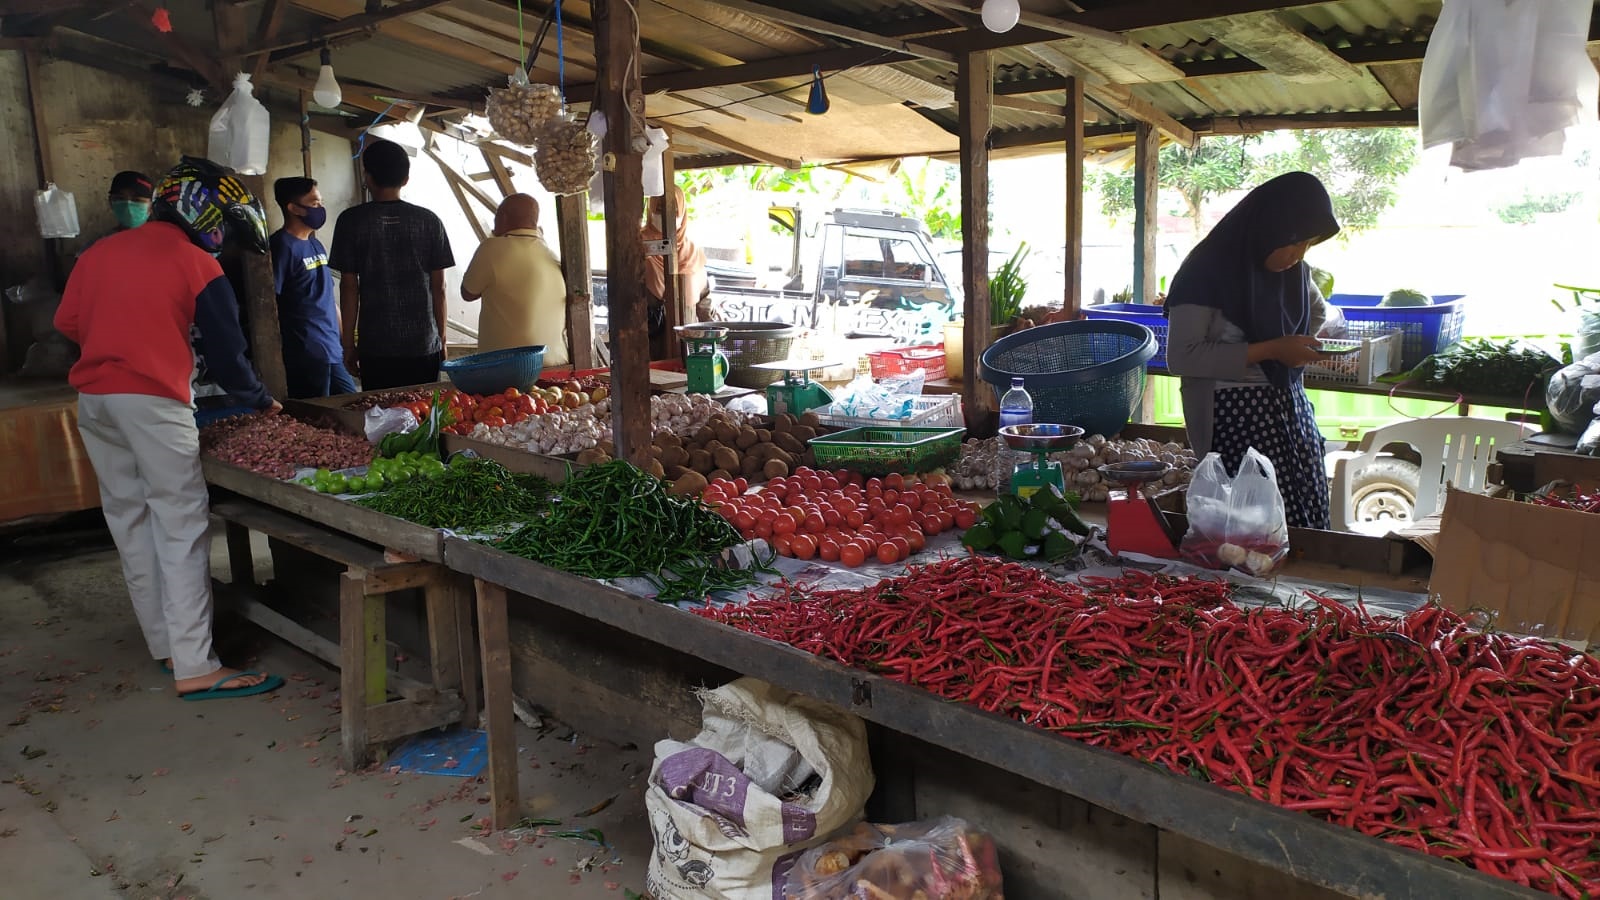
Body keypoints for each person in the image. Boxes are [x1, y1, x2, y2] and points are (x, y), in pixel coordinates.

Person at [54, 156, 285, 701]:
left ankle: (165, 644)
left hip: (95, 401)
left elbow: (68, 323)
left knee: (131, 520)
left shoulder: (97, 253)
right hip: (153, 403)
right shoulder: (195, 264)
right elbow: (229, 356)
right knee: (181, 527)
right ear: (203, 215)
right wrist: (259, 401)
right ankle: (196, 666)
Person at [1163, 171, 1340, 530]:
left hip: (1289, 409)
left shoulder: (1294, 273)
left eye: (1308, 245)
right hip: (1232, 416)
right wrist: (1274, 348)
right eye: (1293, 243)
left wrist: (1295, 345)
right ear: (1269, 228)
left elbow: (1319, 312)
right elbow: (1183, 355)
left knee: (1302, 518)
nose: (1298, 255)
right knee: (1251, 525)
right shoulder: (1206, 273)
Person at [329, 139, 455, 390]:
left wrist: (348, 345)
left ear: (368, 177)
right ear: (406, 179)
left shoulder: (351, 221)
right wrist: (441, 338)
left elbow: (349, 287)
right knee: (423, 413)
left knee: (381, 416)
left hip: (376, 344)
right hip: (422, 342)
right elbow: (439, 287)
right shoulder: (429, 221)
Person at [271, 177, 358, 398]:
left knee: (352, 404)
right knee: (318, 418)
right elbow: (271, 303)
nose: (320, 209)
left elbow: (326, 296)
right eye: (314, 203)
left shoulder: (315, 244)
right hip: (306, 352)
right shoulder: (281, 247)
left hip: (331, 349)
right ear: (293, 208)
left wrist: (346, 340)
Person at [460, 193, 570, 365]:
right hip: (556, 363)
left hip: (508, 369)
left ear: (502, 218)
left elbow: (467, 293)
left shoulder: (491, 249)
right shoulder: (551, 254)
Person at [642, 186, 709, 331]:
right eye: (659, 210)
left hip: (686, 336)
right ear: (650, 210)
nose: (666, 215)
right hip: (650, 338)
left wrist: (718, 330)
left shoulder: (692, 251)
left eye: (674, 210)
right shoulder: (638, 246)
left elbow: (704, 301)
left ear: (683, 212)